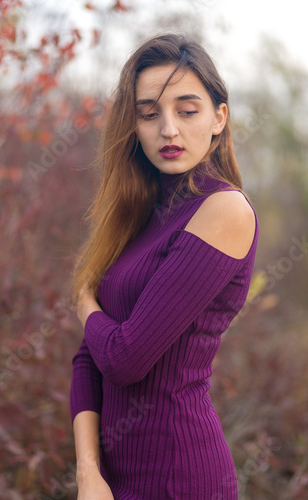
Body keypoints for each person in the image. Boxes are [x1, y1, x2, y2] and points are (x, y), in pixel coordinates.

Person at [69, 33, 258, 500]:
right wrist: (89, 473)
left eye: (187, 110)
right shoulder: (137, 217)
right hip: (111, 481)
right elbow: (88, 359)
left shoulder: (224, 211)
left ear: (219, 117)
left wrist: (83, 305)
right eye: (149, 113)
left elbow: (123, 358)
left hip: (181, 475)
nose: (168, 129)